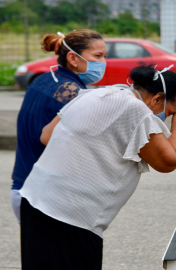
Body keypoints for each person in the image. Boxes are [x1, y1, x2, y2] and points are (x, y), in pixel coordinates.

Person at [19, 65, 176, 269]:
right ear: (157, 99)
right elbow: (168, 161)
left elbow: (47, 135)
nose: (167, 118)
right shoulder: (137, 110)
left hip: (34, 201)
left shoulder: (96, 93)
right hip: (71, 219)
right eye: (170, 112)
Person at [11, 30, 107, 224]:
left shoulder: (43, 80)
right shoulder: (74, 93)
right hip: (45, 198)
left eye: (104, 56)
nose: (103, 62)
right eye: (98, 56)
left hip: (21, 188)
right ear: (73, 57)